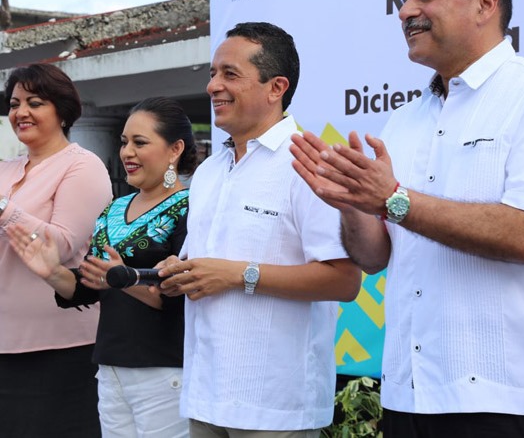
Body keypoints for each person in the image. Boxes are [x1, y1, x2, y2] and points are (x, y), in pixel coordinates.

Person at [290, 0, 524, 438]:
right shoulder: (405, 120)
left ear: (485, 3)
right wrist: (351, 205)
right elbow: (374, 257)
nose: (406, 11)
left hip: (521, 402)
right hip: (410, 397)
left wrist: (394, 199)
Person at [157, 22, 361, 438]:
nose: (213, 86)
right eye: (212, 73)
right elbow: (206, 264)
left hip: (276, 407)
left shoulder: (310, 163)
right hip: (205, 395)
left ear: (276, 88)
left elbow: (344, 280)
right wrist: (180, 271)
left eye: (230, 74)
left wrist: (239, 275)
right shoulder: (210, 171)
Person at [8, 96, 197, 437]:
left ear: (175, 149)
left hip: (164, 370)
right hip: (110, 369)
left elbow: (183, 294)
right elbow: (88, 286)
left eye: (140, 143)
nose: (127, 153)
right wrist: (52, 272)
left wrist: (122, 280)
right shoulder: (115, 208)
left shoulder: (191, 207)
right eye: (124, 142)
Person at [0, 63, 113, 437]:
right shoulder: (5, 170)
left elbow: (62, 245)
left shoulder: (83, 166)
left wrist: (5, 210)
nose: (21, 112)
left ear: (62, 111)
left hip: (59, 347)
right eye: (14, 104)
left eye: (35, 103)